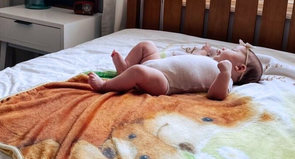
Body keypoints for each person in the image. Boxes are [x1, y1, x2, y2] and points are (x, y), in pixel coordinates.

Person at [88, 40, 263, 101]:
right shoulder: (209, 60)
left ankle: (105, 86)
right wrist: (203, 51)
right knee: (147, 46)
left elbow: (216, 95)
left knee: (139, 72)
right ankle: (124, 68)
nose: (225, 48)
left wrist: (225, 73)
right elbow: (195, 58)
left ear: (239, 68)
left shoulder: (226, 79)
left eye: (232, 50)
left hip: (164, 81)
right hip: (158, 65)